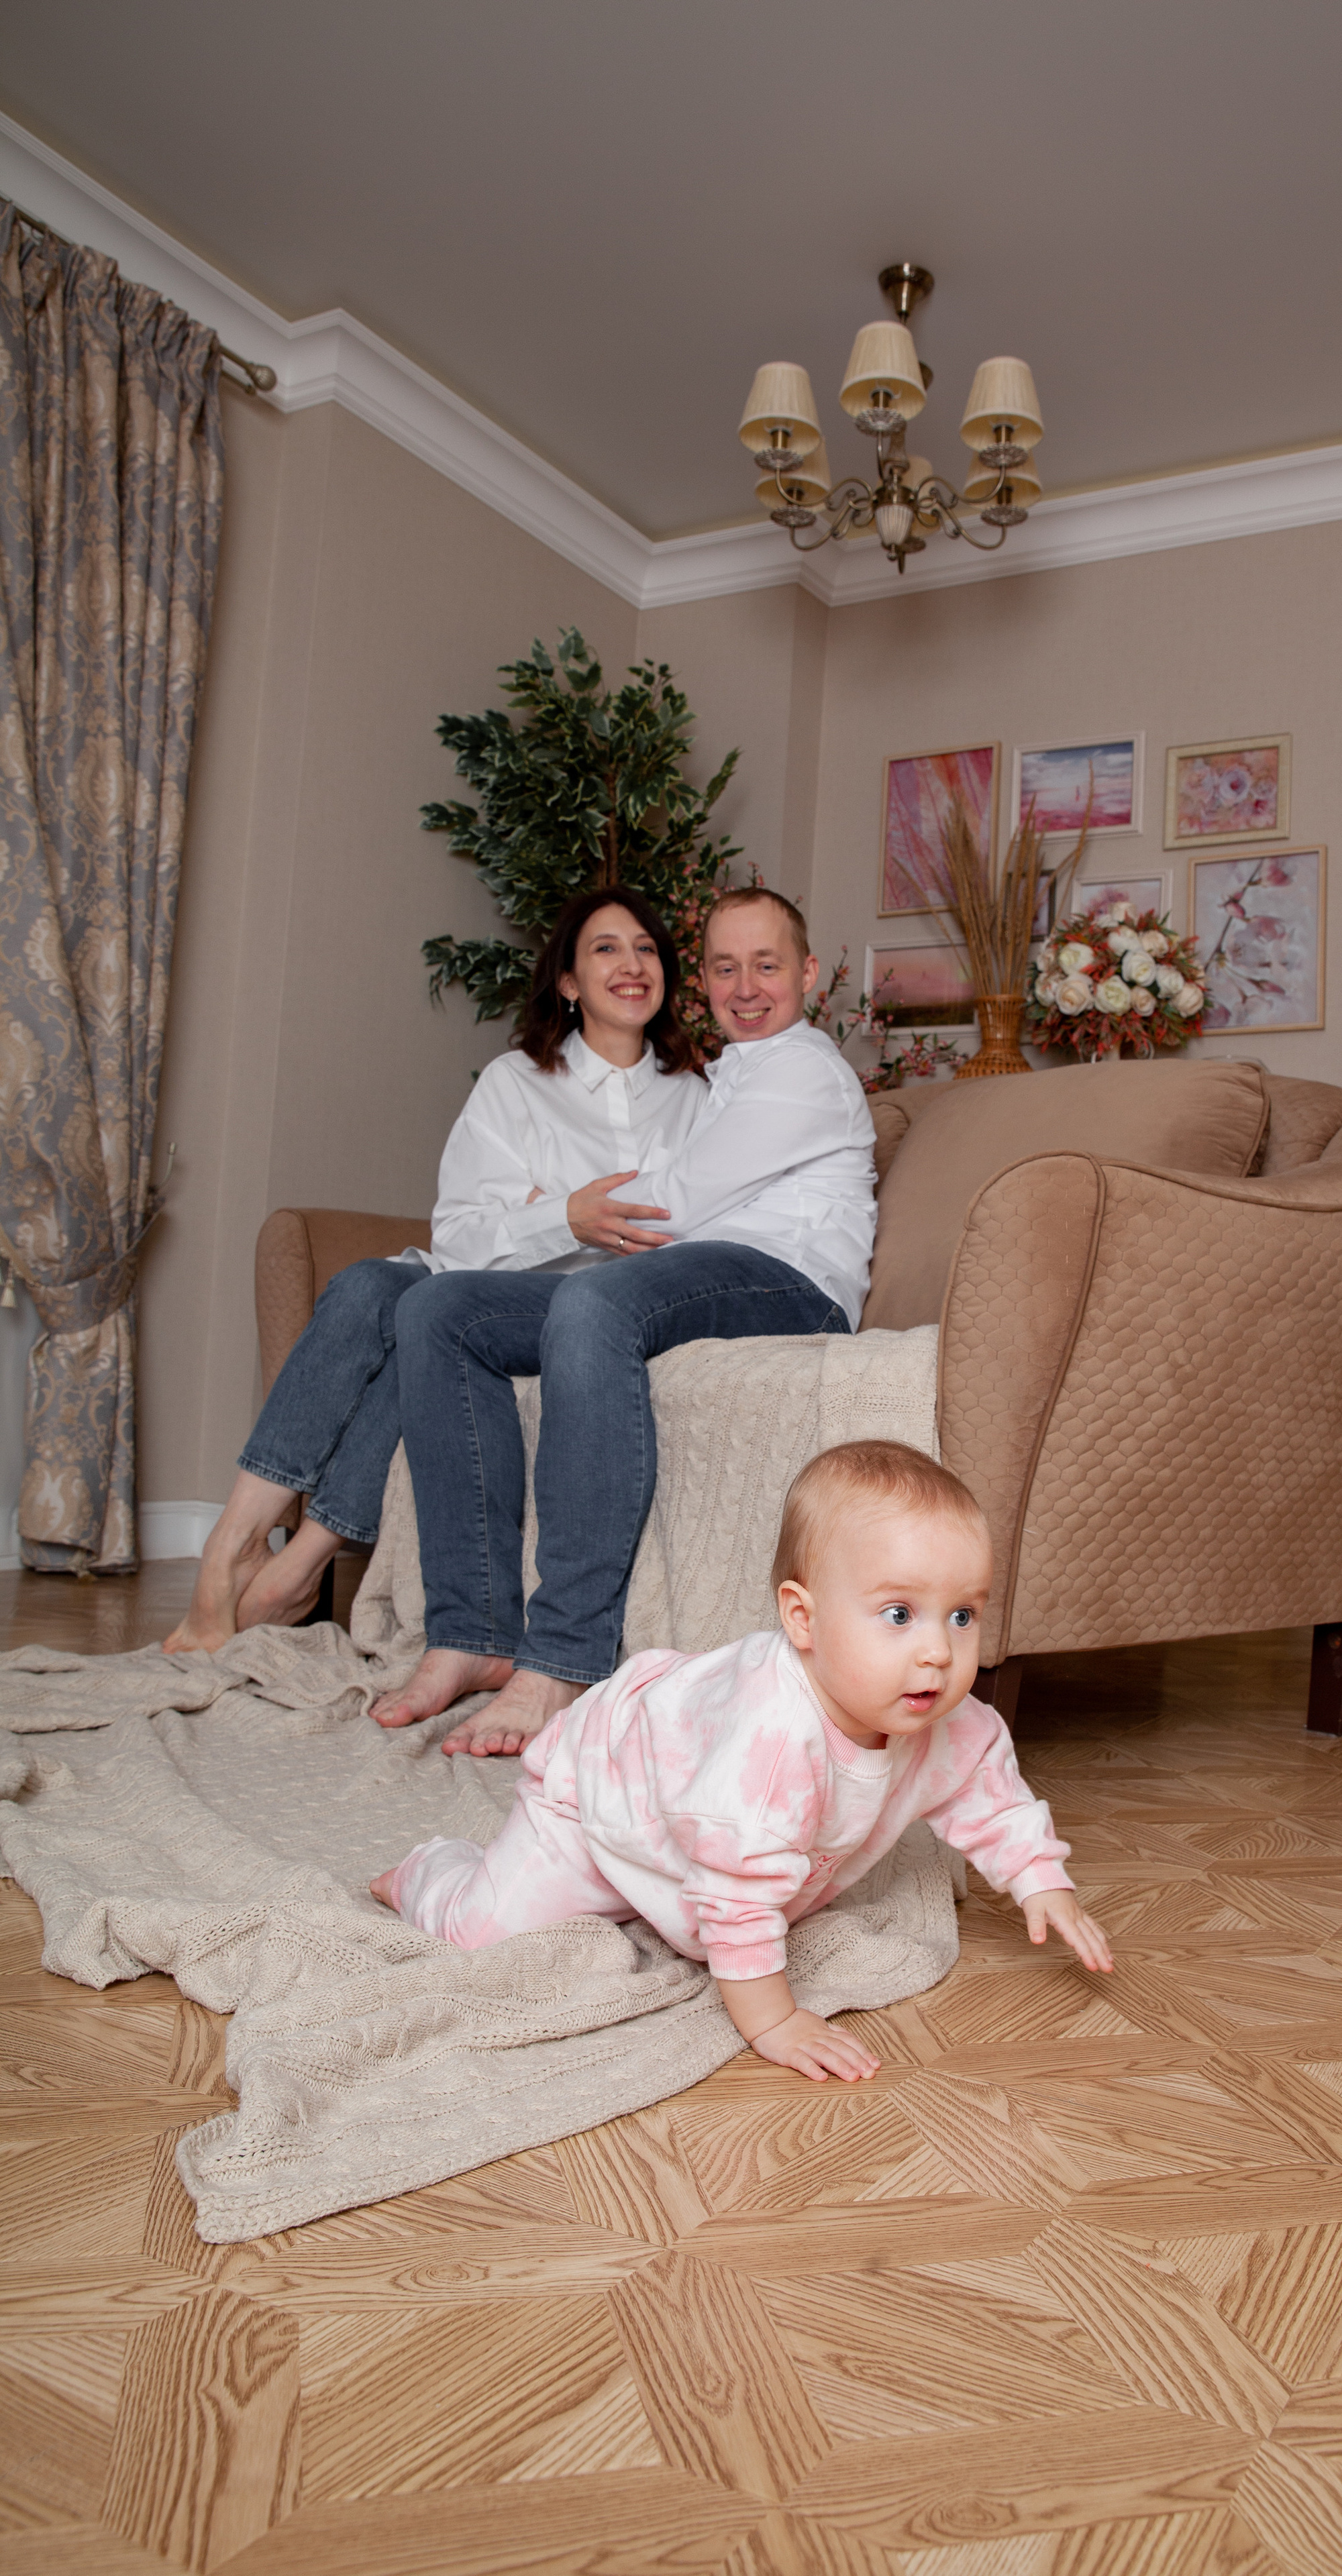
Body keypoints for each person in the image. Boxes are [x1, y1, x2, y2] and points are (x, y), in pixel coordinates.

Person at [372, 1440, 1112, 2080]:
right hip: (603, 1802)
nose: (937, 1651)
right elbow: (735, 1900)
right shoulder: (769, 1747)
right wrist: (773, 2021)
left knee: (727, 1877)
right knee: (482, 1932)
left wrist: (1039, 1879)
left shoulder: (942, 1719)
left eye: (962, 1615)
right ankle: (426, 1873)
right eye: (898, 1615)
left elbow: (989, 1791)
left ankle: (653, 1886)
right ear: (803, 1618)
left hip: (695, 1816)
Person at [370, 885, 876, 1757]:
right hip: (705, 1274)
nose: (746, 986)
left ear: (809, 974)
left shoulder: (800, 1069)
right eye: (725, 967)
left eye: (766, 965)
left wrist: (555, 1210)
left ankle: (563, 1656)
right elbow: (667, 1217)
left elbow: (671, 1205)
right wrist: (562, 1214)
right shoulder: (725, 1076)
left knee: (594, 1299)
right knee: (440, 1310)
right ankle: (473, 1631)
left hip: (793, 1284)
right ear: (703, 981)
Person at [162, 888, 703, 1653]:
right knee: (368, 1287)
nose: (632, 963)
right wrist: (564, 1218)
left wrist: (541, 1213)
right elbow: (458, 1235)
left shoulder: (697, 1102)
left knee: (433, 1316)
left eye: (646, 947)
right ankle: (239, 1546)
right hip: (470, 1282)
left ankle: (293, 1567)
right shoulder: (516, 1083)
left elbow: (684, 1238)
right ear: (570, 982)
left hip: (578, 1310)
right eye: (606, 949)